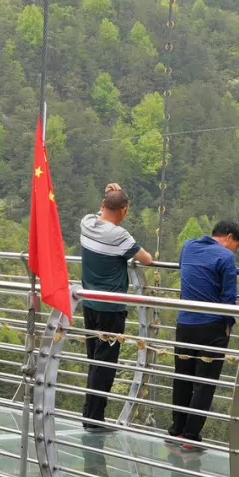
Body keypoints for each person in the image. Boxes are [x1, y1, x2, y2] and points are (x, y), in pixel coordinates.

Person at [79, 184, 154, 431]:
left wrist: (111, 195)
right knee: (105, 364)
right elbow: (147, 259)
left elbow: (100, 214)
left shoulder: (86, 223)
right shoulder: (120, 236)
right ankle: (94, 419)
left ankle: (90, 415)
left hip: (88, 303)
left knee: (94, 360)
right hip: (111, 309)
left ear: (102, 206)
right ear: (124, 210)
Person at [168, 219, 239, 449]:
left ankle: (177, 431)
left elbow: (184, 269)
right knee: (204, 383)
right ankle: (191, 437)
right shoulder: (226, 258)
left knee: (183, 378)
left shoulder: (189, 246)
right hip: (211, 327)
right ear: (229, 237)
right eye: (236, 246)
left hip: (184, 324)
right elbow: (228, 297)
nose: (234, 251)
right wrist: (228, 325)